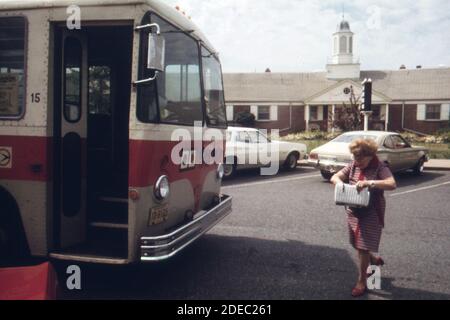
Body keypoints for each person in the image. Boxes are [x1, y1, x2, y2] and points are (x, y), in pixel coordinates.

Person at [331, 138, 397, 297]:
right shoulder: (353, 165)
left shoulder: (380, 167)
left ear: (370, 156)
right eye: (354, 156)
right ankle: (373, 260)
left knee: (362, 246)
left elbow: (391, 183)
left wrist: (369, 183)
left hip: (371, 212)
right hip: (354, 210)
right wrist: (340, 184)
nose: (356, 160)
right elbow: (335, 177)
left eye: (359, 157)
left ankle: (362, 281)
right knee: (356, 243)